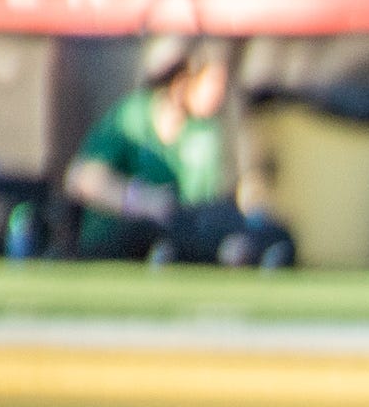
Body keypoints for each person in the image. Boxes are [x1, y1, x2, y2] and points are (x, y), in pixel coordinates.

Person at [62, 41, 294, 267]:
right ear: (185, 78)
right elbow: (82, 178)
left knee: (263, 230)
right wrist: (141, 200)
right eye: (211, 82)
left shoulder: (205, 131)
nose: (218, 94)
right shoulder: (133, 116)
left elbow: (201, 202)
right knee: (149, 230)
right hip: (119, 231)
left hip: (177, 226)